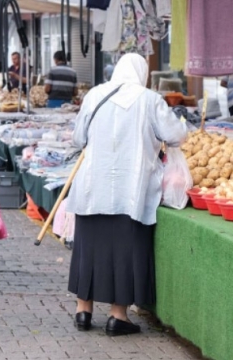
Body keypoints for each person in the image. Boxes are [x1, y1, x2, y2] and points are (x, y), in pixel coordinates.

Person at [67, 53, 187, 336]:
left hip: (92, 185)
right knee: (125, 249)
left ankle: (83, 310)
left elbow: (77, 138)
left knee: (90, 247)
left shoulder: (95, 94)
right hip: (131, 187)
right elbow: (176, 136)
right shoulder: (149, 100)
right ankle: (117, 316)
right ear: (142, 73)